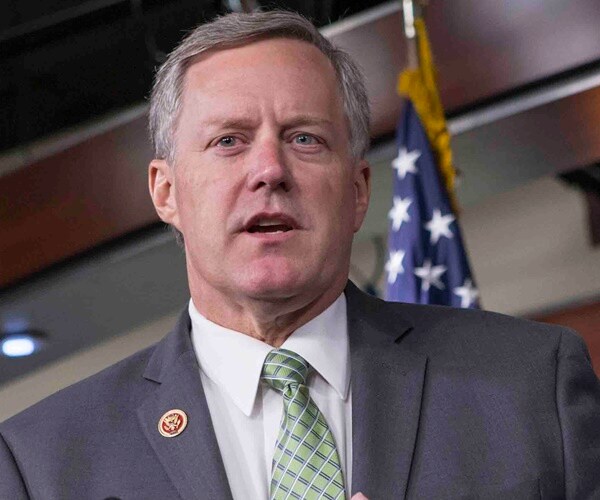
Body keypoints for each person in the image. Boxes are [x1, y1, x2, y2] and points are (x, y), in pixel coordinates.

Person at [1, 10, 599, 500]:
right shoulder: (40, 461)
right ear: (166, 191)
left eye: (304, 138)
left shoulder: (532, 384)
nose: (269, 169)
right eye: (229, 140)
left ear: (358, 190)